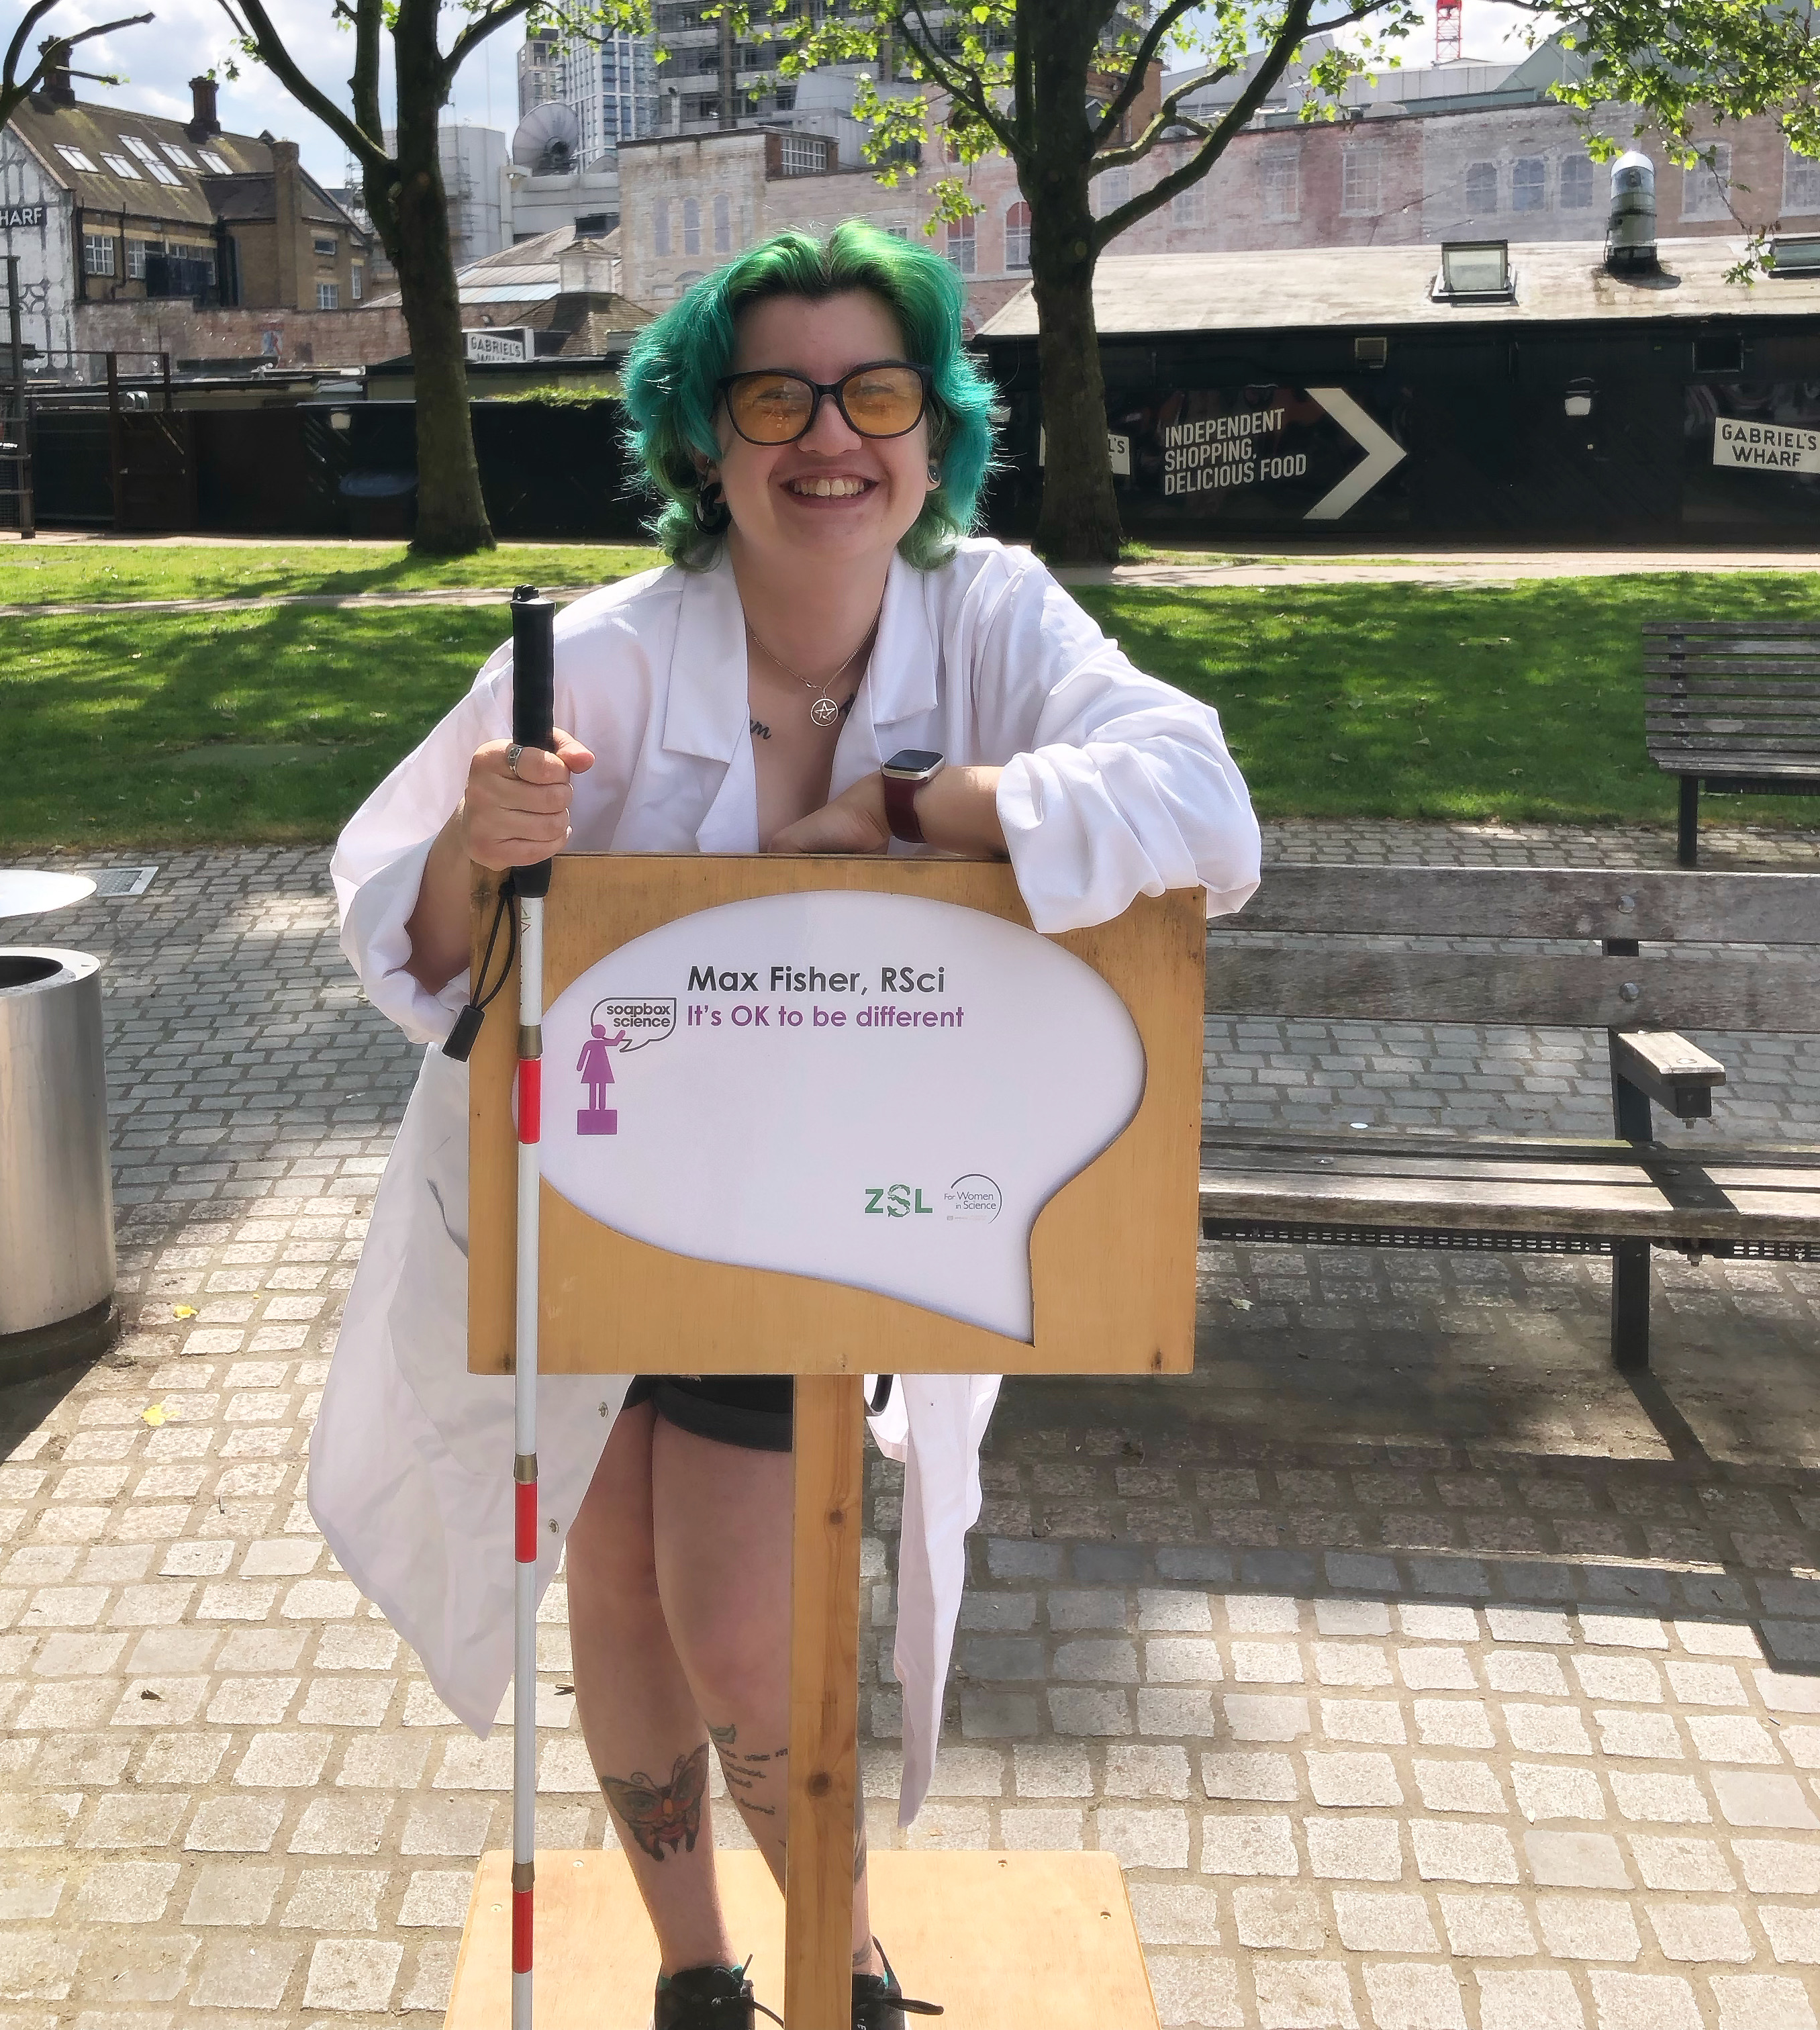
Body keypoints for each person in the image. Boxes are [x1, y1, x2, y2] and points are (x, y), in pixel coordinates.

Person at [315, 224, 1262, 2030]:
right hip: (581, 1196)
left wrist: (921, 800)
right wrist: (478, 844)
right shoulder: (594, 660)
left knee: (739, 1624)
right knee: (615, 1602)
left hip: (823, 1217)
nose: (830, 436)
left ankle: (845, 1962)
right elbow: (418, 949)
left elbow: (1203, 807)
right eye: (775, 395)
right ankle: (697, 1973)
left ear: (934, 428)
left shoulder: (989, 614)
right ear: (703, 435)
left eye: (876, 390)